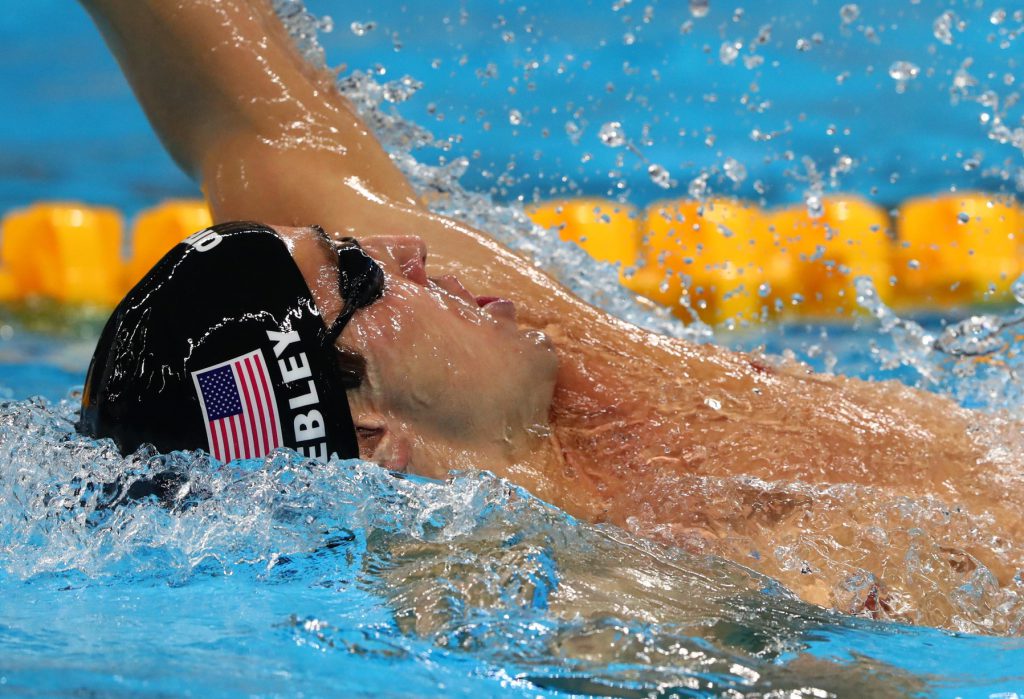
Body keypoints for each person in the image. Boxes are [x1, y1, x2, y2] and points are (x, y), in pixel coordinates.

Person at [75, 0, 1022, 626]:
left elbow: (243, 108)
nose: (408, 252)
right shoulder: (579, 601)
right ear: (367, 435)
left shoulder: (486, 325)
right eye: (359, 274)